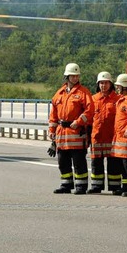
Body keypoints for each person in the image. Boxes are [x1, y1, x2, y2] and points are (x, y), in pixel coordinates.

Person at [48, 63, 94, 195]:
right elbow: (53, 114)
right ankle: (66, 184)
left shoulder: (83, 92)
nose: (75, 78)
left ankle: (81, 186)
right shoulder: (60, 93)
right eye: (72, 76)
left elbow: (90, 111)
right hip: (62, 133)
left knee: (79, 161)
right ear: (67, 77)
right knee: (63, 161)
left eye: (77, 76)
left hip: (76, 133)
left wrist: (79, 121)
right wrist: (52, 130)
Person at [87, 71, 122, 194]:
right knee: (96, 163)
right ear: (98, 84)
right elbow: (89, 117)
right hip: (97, 136)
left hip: (112, 137)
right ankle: (96, 186)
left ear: (110, 84)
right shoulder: (93, 99)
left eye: (106, 83)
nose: (103, 85)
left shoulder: (118, 99)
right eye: (101, 83)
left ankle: (115, 187)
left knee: (114, 164)